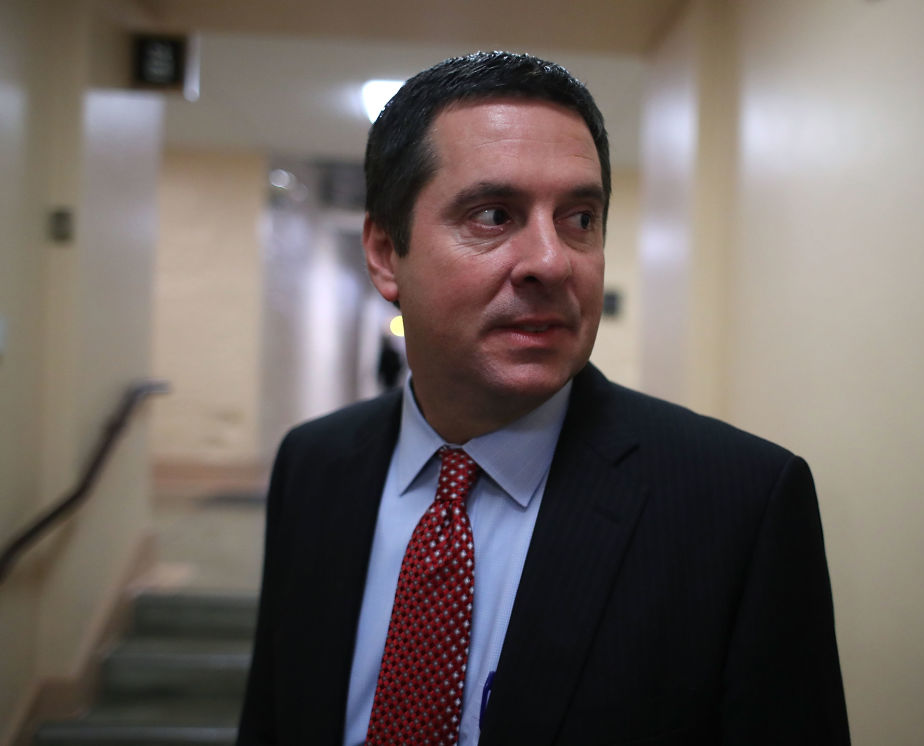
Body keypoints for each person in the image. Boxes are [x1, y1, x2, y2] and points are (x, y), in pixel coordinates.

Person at [237, 51, 850, 746]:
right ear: (384, 253)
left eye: (580, 219)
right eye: (494, 214)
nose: (552, 261)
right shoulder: (313, 466)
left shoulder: (739, 505)